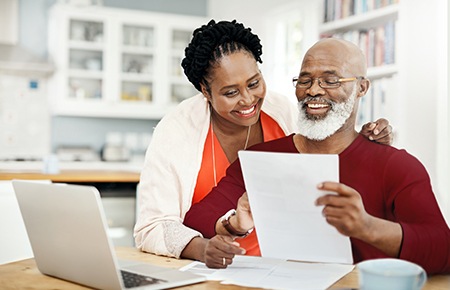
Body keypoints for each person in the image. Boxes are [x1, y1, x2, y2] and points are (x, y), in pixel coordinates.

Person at [134, 20, 392, 266]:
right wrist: (200, 248)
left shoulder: (280, 112)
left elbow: (322, 160)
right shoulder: (176, 132)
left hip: (280, 265)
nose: (248, 100)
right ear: (205, 90)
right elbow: (152, 227)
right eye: (230, 92)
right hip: (212, 268)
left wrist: (365, 144)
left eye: (254, 83)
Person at [183, 38, 450, 274]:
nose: (313, 90)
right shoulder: (261, 158)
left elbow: (443, 250)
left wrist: (367, 226)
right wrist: (234, 225)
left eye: (330, 80)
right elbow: (197, 217)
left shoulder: (397, 165)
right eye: (305, 80)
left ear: (362, 87)